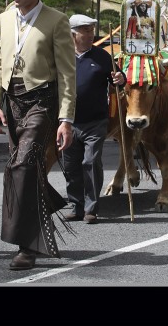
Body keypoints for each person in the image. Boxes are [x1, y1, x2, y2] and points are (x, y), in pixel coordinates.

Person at [0, 0, 77, 271]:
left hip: (42, 101)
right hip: (12, 102)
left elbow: (67, 73)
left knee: (23, 165)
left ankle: (25, 247)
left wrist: (66, 119)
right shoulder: (4, 18)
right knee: (19, 169)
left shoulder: (57, 20)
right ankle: (49, 202)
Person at [63, 14, 126, 224]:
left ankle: (91, 208)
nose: (91, 35)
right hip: (68, 122)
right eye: (86, 31)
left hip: (95, 121)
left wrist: (120, 78)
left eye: (91, 30)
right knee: (71, 166)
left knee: (90, 162)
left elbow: (117, 79)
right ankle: (76, 206)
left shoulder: (102, 56)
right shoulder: (62, 56)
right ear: (73, 35)